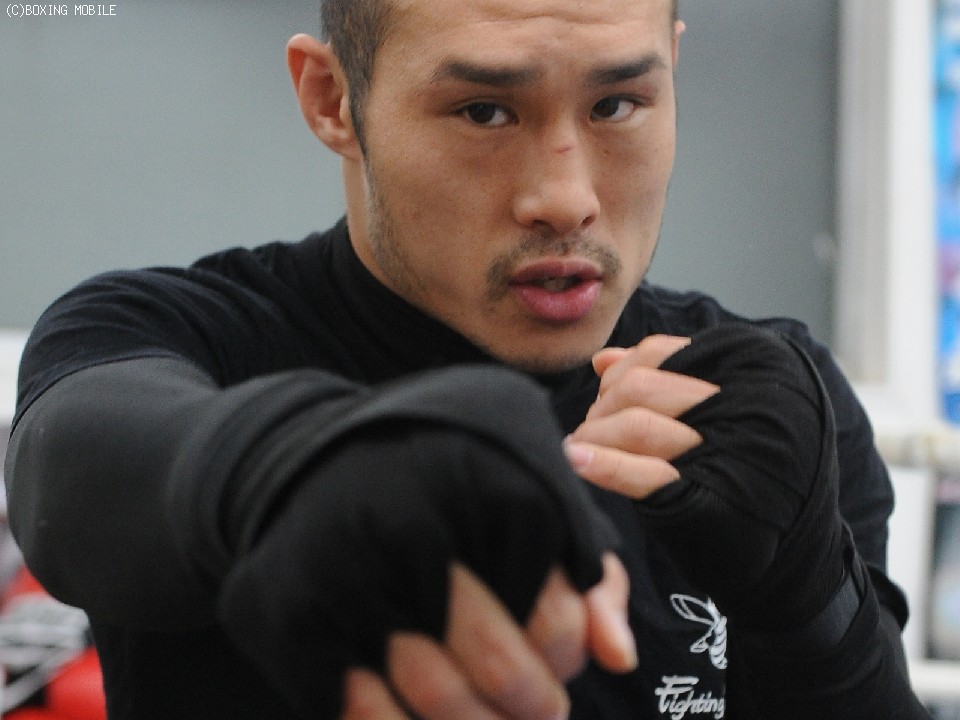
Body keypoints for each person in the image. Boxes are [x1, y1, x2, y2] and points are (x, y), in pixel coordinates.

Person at [2, 0, 931, 718]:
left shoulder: (759, 402)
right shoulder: (180, 335)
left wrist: (812, 605)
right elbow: (71, 469)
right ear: (333, 99)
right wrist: (275, 472)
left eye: (617, 104)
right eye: (485, 111)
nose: (564, 196)